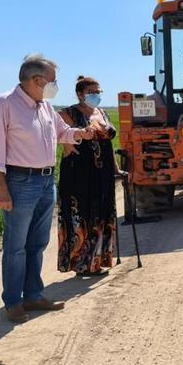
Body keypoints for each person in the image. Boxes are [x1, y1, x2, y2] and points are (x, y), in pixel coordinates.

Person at [0, 54, 97, 324]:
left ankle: (33, 294)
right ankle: (13, 301)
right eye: (52, 81)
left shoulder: (44, 106)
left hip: (46, 181)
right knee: (16, 246)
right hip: (20, 183)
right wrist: (1, 188)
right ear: (36, 80)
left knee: (38, 243)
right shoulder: (4, 104)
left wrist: (80, 133)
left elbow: (62, 133)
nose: (55, 87)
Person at [56, 75, 118, 277]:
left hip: (103, 173)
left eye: (98, 92)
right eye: (91, 92)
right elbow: (60, 136)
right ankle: (81, 264)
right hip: (79, 174)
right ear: (79, 94)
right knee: (82, 216)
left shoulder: (102, 112)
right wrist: (68, 144)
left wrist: (116, 168)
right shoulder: (68, 114)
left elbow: (108, 144)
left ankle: (97, 261)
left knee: (101, 214)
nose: (96, 95)